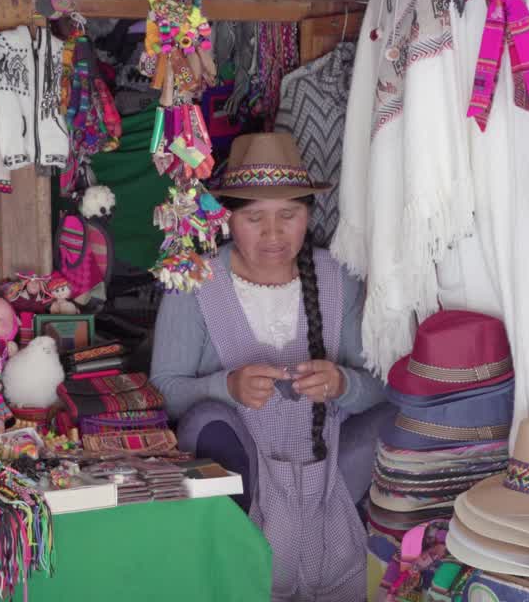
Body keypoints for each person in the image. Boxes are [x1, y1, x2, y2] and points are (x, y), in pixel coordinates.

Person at [151, 132, 389, 601]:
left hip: (333, 471)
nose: (274, 234)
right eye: (254, 218)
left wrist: (343, 383)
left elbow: (382, 387)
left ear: (310, 215)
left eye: (289, 215)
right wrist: (228, 386)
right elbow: (163, 391)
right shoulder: (194, 281)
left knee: (401, 418)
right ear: (226, 219)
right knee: (207, 420)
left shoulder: (339, 276)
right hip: (242, 475)